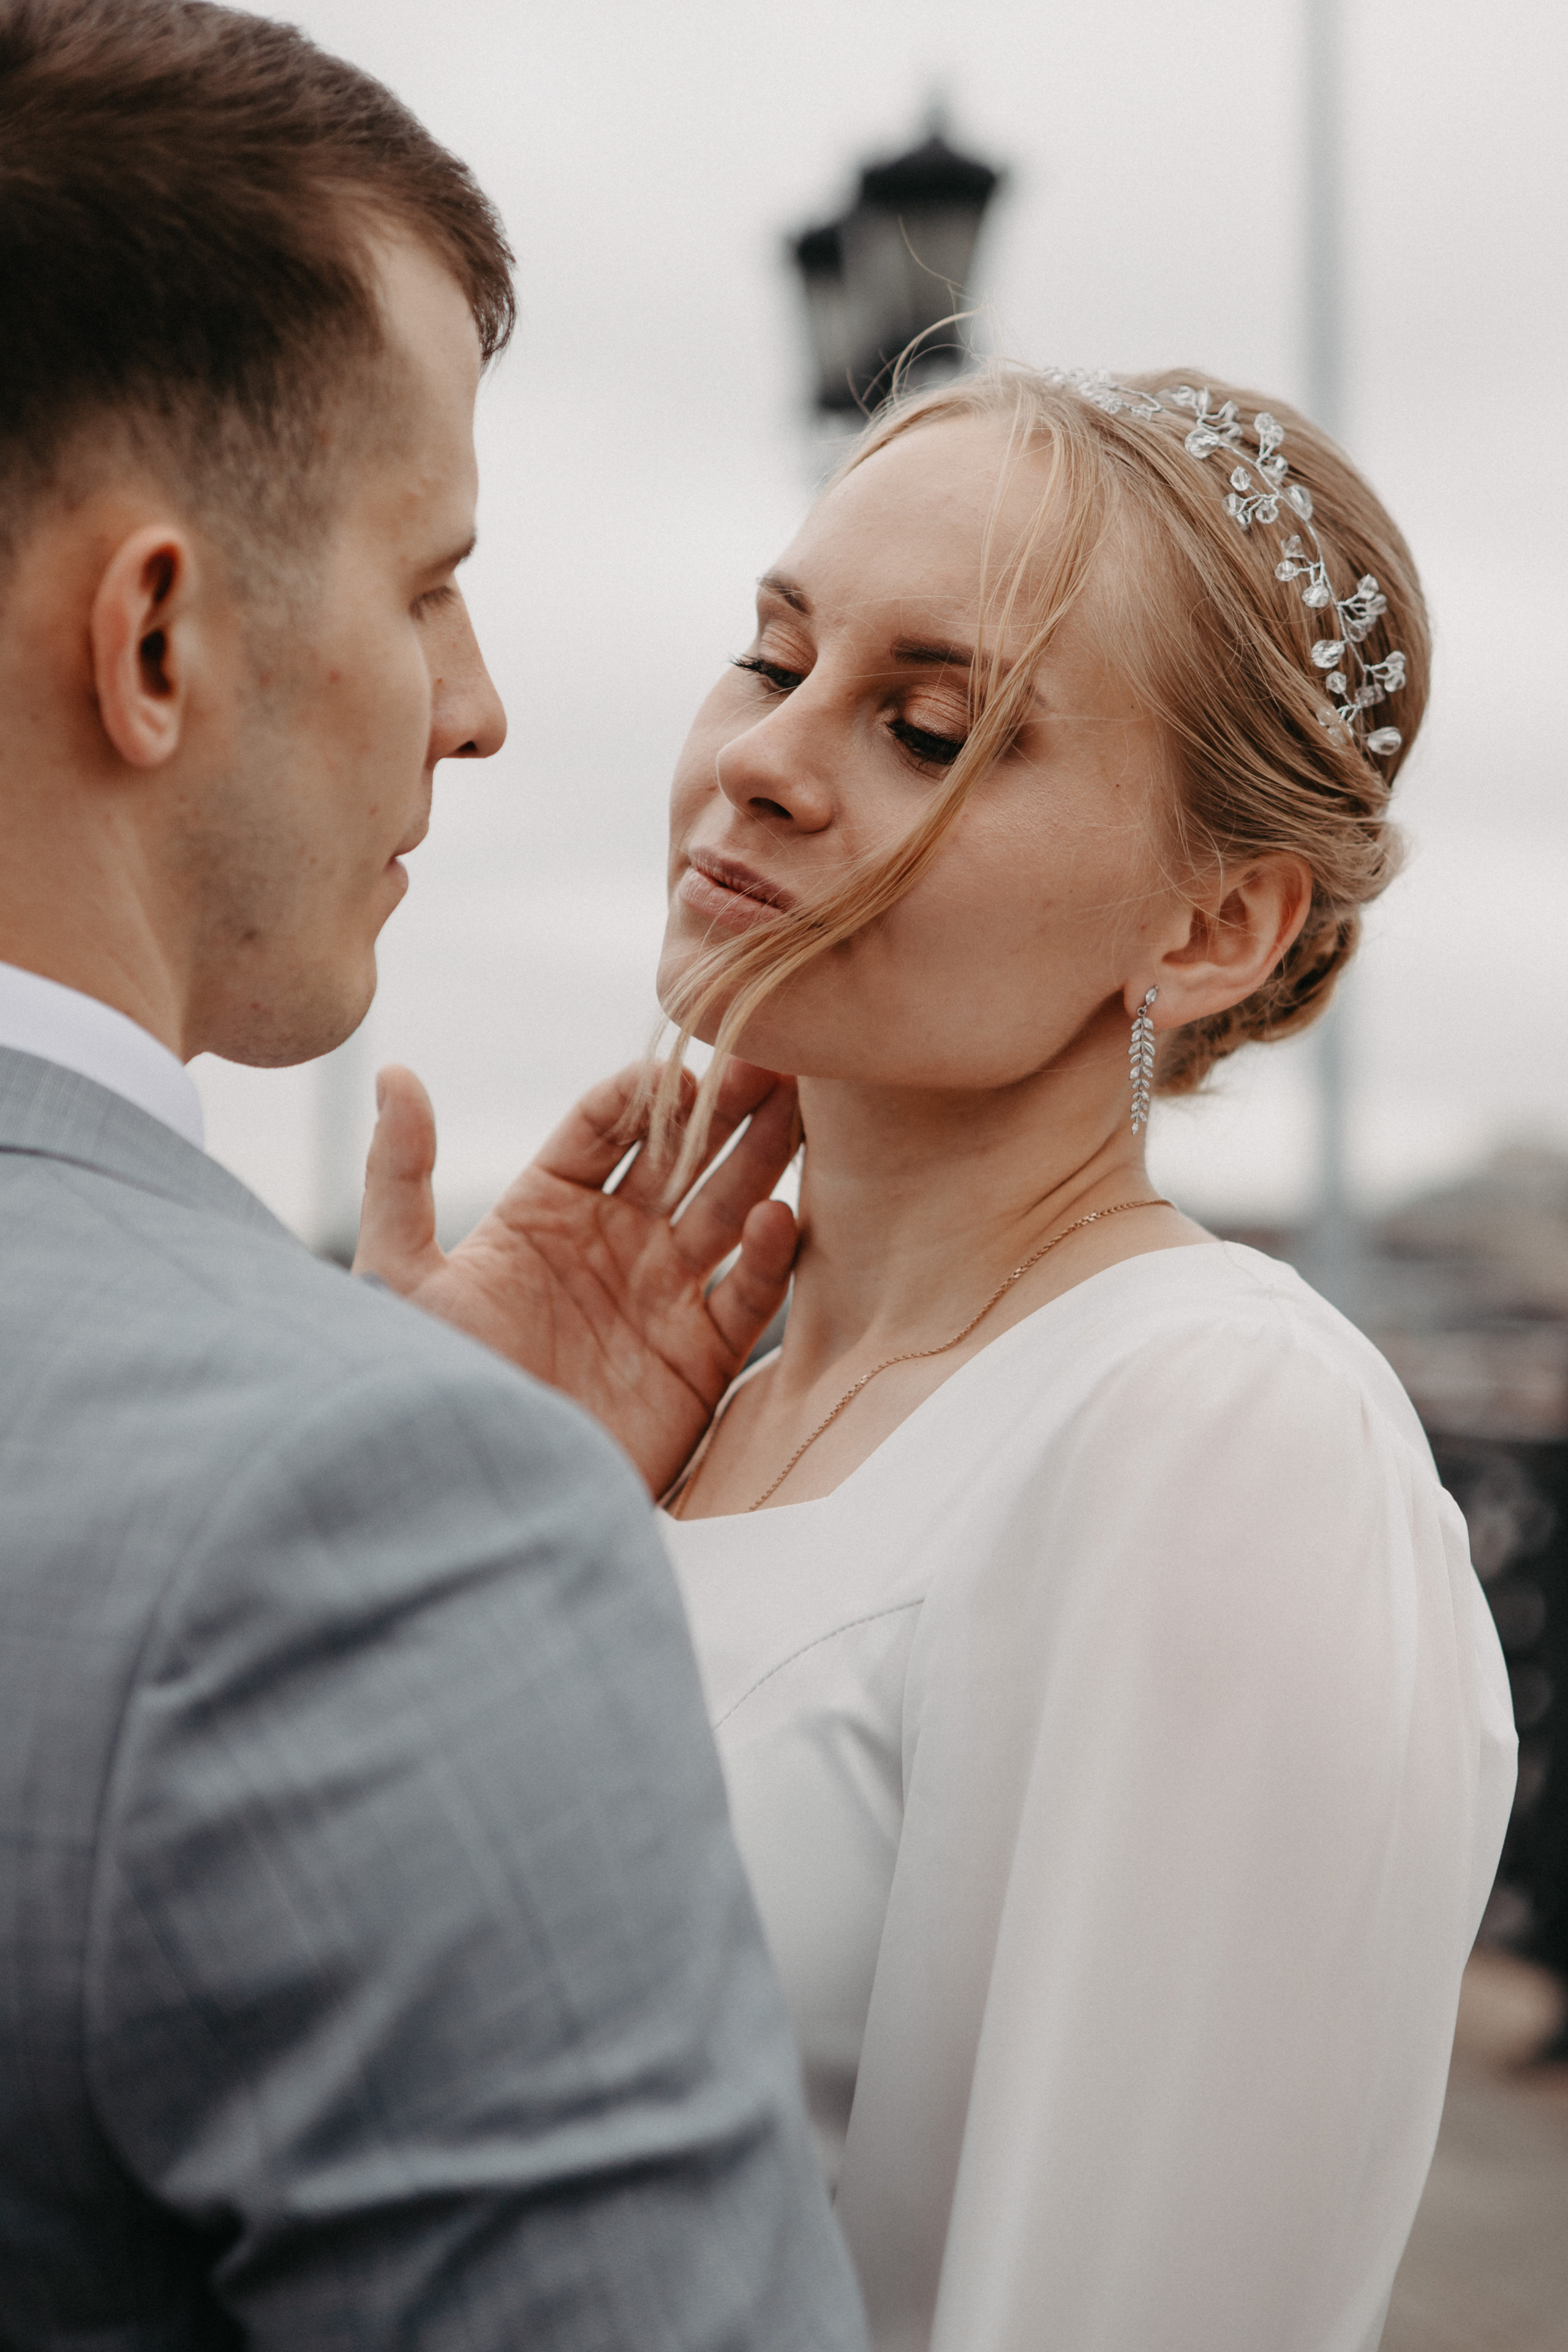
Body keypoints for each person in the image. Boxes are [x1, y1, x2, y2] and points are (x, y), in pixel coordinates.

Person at [0, 5, 865, 2347]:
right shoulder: (365, 1525)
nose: (476, 703)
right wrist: (390, 1477)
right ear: (153, 636)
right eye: (426, 580)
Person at [521, 364, 1513, 2350]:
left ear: (1216, 926)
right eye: (769, 656)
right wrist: (470, 1484)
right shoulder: (672, 1411)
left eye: (928, 727)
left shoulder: (1217, 1432)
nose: (768, 763)